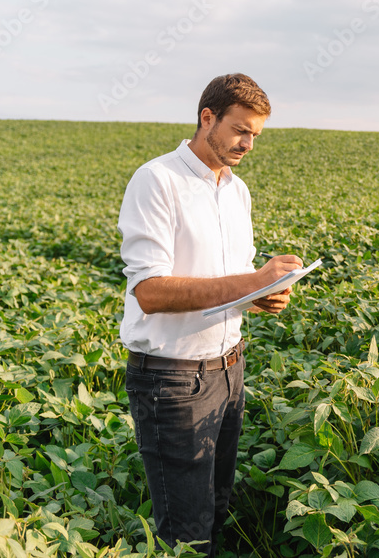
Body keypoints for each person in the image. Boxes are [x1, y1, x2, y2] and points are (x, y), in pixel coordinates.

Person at [117, 73, 302, 557]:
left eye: (256, 135)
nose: (248, 143)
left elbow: (232, 277)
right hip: (173, 381)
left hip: (229, 369)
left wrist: (263, 295)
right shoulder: (158, 180)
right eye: (241, 130)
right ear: (207, 118)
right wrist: (254, 281)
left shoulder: (236, 190)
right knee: (187, 532)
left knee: (217, 508)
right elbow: (151, 291)